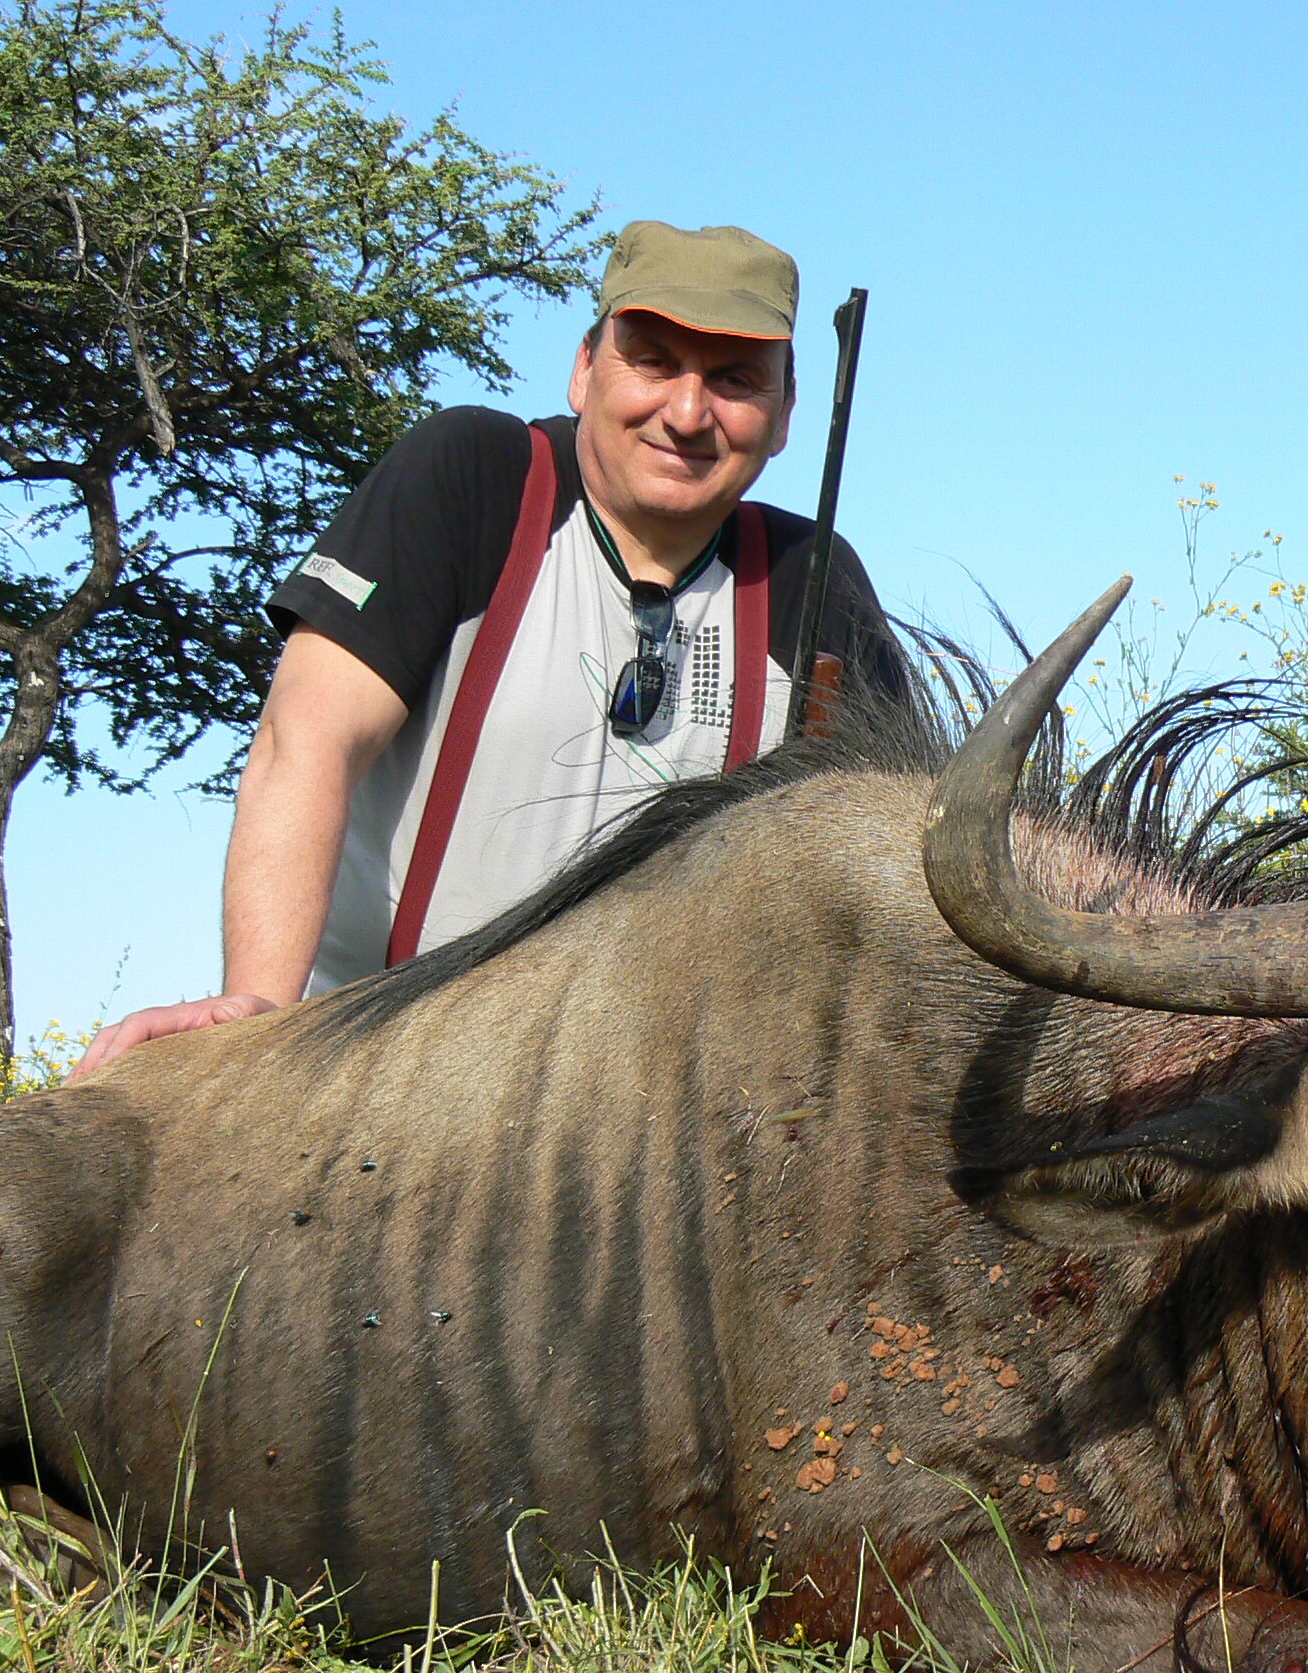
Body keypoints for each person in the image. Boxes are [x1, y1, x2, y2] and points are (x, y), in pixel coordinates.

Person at [74, 221, 901, 1076]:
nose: (688, 414)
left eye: (733, 381)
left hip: (645, 1126)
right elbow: (305, 738)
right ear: (585, 370)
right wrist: (257, 1010)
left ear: (785, 416)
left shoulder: (819, 580)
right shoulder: (471, 476)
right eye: (653, 361)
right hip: (374, 1075)